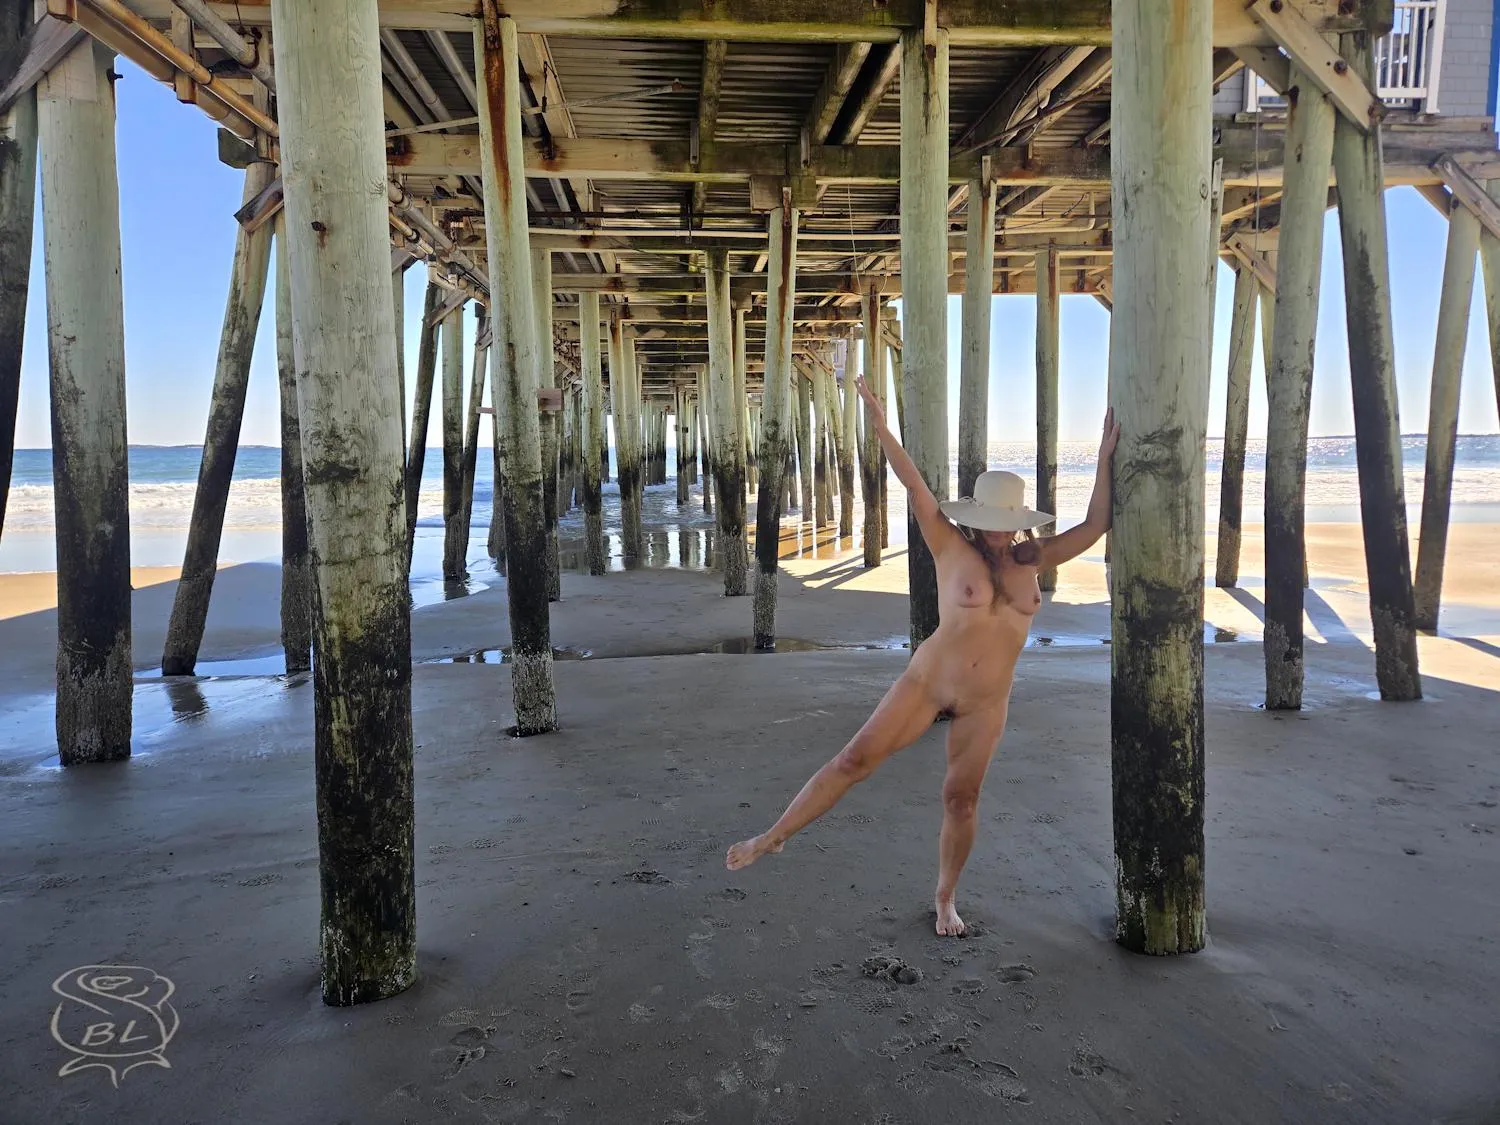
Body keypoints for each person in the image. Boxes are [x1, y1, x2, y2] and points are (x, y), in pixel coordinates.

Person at [725, 375, 1121, 936]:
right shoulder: (948, 543)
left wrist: (1104, 458)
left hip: (987, 702)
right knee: (853, 762)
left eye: (1005, 525)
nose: (997, 536)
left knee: (961, 800)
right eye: (989, 524)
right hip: (929, 683)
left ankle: (945, 899)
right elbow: (916, 488)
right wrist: (883, 429)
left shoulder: (1033, 556)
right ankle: (775, 835)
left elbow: (1096, 524)